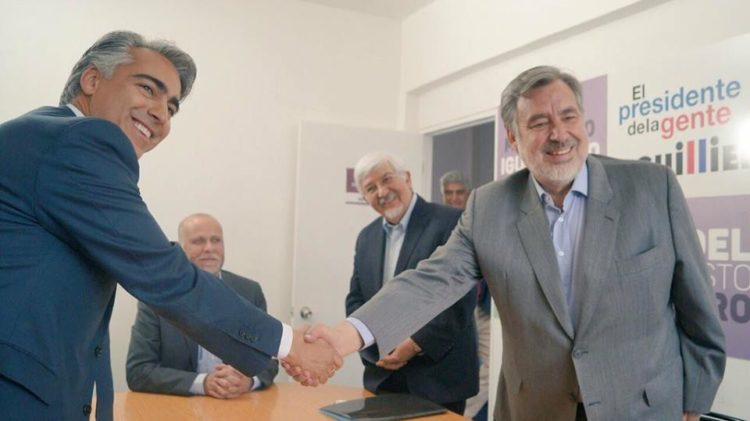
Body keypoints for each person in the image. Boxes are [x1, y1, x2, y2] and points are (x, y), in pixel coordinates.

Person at [294, 66, 726, 421]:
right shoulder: (489, 206)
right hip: (535, 409)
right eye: (539, 123)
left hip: (643, 409)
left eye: (569, 116)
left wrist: (695, 401)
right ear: (514, 138)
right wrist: (346, 336)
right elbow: (431, 281)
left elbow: (698, 308)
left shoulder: (652, 187)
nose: (559, 133)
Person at [0, 31, 338, 420]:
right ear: (92, 80)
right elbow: (160, 272)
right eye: (148, 89)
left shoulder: (43, 135)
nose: (161, 114)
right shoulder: (79, 141)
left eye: (172, 107)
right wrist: (289, 343)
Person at [347, 153, 478, 415]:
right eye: (371, 188)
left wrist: (415, 343)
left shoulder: (452, 222)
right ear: (364, 197)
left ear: (407, 178)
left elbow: (460, 299)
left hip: (438, 379)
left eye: (387, 179)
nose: (382, 192)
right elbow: (356, 299)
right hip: (383, 378)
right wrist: (373, 347)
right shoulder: (366, 237)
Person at [127, 213, 278, 398]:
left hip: (237, 404)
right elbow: (138, 371)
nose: (209, 248)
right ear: (181, 248)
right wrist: (203, 383)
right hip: (179, 407)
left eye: (216, 240)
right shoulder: (156, 296)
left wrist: (248, 381)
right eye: (198, 241)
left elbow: (269, 361)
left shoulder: (249, 292)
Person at [440, 170, 489, 421]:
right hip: (452, 308)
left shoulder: (482, 217)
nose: (454, 198)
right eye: (449, 193)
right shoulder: (439, 223)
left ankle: (463, 416)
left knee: (488, 364)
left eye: (459, 192)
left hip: (484, 306)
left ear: (468, 194)